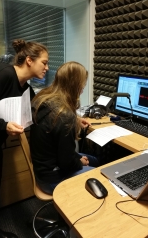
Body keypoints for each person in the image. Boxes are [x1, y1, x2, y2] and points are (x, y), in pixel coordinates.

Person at [0, 39, 49, 238]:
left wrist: (75, 118)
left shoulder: (25, 87)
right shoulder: (3, 75)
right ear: (30, 61)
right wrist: (3, 125)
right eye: (44, 63)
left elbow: (39, 109)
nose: (47, 68)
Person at [30, 61, 99, 195]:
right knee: (100, 176)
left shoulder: (44, 99)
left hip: (42, 169)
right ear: (74, 85)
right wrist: (79, 163)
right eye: (82, 85)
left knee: (95, 160)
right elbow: (66, 163)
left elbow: (56, 136)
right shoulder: (64, 116)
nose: (83, 89)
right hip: (53, 178)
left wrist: (76, 120)